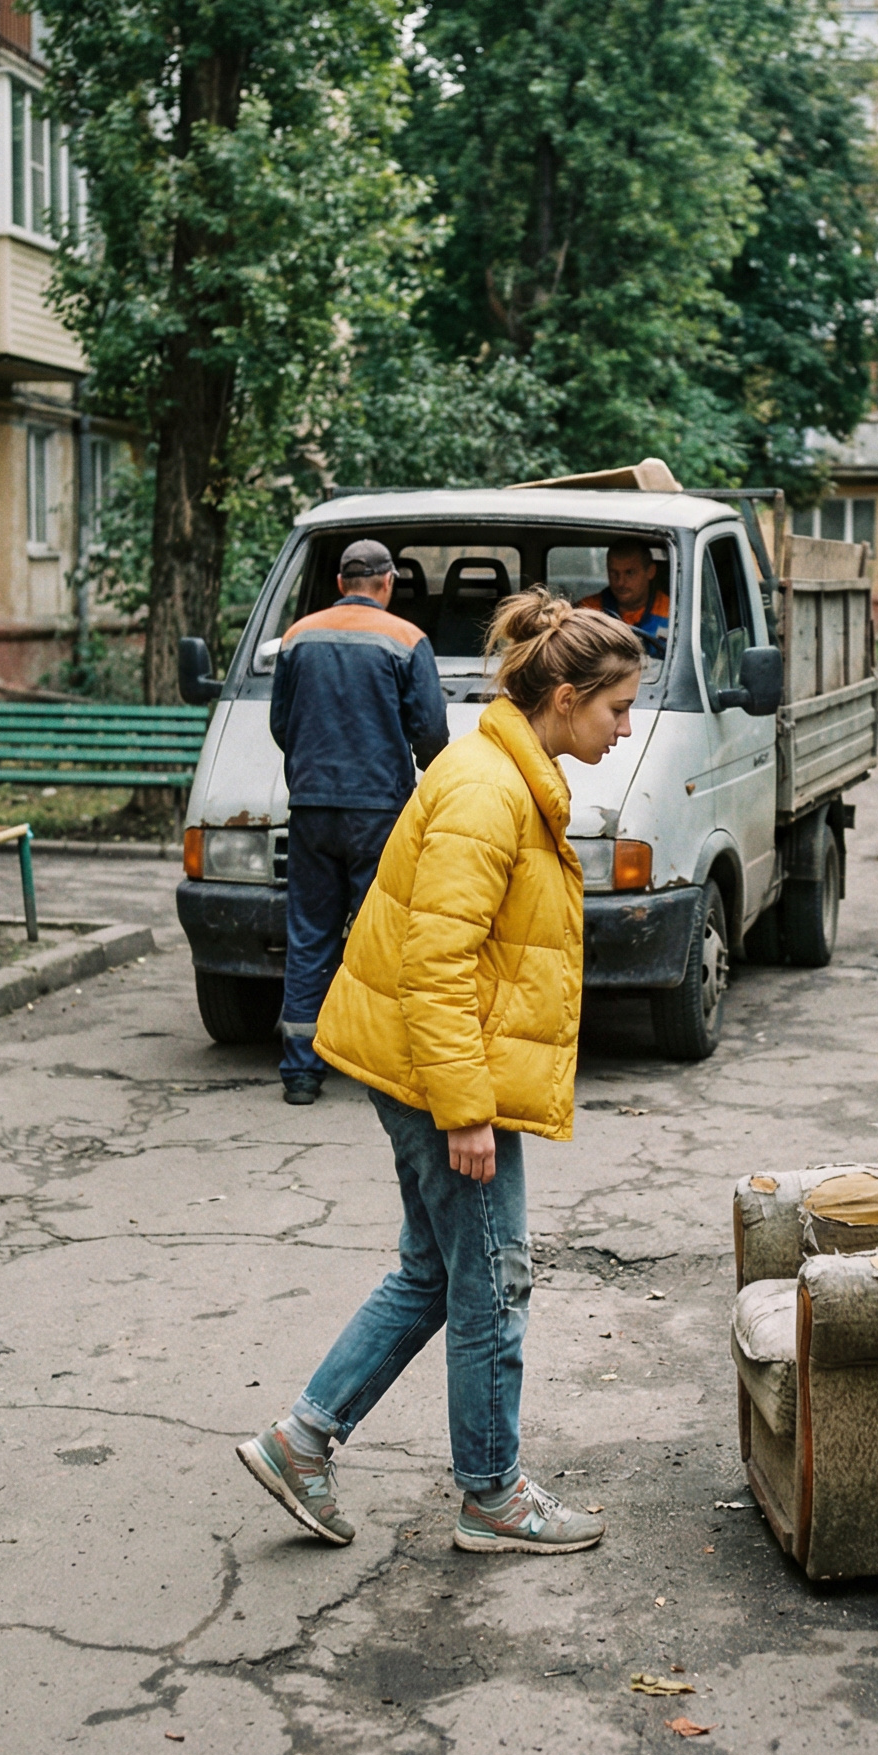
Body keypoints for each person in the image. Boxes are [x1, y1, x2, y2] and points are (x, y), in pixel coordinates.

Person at [236, 592, 646, 1554]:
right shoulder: (486, 792)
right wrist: (466, 1111)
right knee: (494, 1282)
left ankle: (302, 1441)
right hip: (441, 1075)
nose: (625, 728)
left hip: (430, 1063)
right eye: (617, 708)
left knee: (435, 1272)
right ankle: (492, 1497)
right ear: (565, 699)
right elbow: (437, 964)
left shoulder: (507, 772)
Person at [269, 538, 448, 1107]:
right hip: (379, 813)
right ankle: (379, 1064)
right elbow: (430, 731)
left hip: (312, 808)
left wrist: (313, 768)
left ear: (341, 583)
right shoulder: (406, 639)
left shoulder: (297, 636)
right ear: (388, 582)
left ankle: (301, 1072)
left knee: (310, 935)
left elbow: (281, 724)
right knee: (383, 937)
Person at [578, 537, 672, 658]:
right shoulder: (587, 610)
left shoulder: (671, 613)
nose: (620, 582)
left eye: (629, 573)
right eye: (614, 573)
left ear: (651, 572)